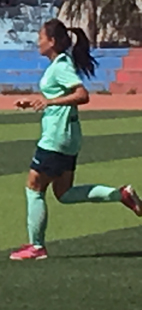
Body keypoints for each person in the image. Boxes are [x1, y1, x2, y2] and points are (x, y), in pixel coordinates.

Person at [9, 19, 142, 261]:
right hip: (67, 136)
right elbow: (60, 93)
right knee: (64, 192)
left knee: (34, 186)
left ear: (52, 41)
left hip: (57, 137)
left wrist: (48, 102)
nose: (38, 42)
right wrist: (37, 101)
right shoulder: (60, 64)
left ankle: (37, 247)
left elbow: (82, 94)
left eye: (41, 37)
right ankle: (120, 194)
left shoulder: (61, 65)